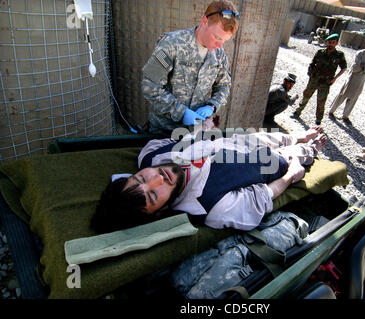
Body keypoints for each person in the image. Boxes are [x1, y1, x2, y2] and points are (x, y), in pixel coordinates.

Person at [91, 126, 327, 233]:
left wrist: (201, 130)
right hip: (272, 162)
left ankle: (297, 136)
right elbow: (265, 195)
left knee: (271, 137)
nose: (157, 178)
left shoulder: (151, 156)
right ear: (160, 212)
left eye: (141, 178)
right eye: (153, 195)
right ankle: (311, 149)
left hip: (243, 141)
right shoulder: (214, 206)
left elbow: (177, 140)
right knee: (297, 154)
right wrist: (290, 176)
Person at [141, 1, 239, 136]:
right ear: (204, 21)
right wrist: (181, 112)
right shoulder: (171, 44)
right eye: (216, 37)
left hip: (196, 132)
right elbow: (150, 86)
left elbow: (224, 86)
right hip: (163, 131)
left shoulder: (219, 54)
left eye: (224, 40)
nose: (220, 45)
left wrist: (212, 106)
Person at [295, 33, 347, 125]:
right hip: (314, 79)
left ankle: (318, 120)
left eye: (333, 42)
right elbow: (312, 63)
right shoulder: (320, 52)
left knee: (321, 101)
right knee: (306, 96)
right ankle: (298, 111)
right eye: (329, 42)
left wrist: (335, 78)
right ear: (327, 43)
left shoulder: (339, 55)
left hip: (325, 82)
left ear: (336, 43)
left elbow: (344, 68)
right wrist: (310, 73)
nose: (330, 44)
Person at [328, 37, 365, 124]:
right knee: (342, 95)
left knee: (353, 98)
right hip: (353, 78)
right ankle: (331, 111)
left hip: (361, 81)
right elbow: (355, 67)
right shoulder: (360, 53)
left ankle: (345, 115)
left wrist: (364, 67)